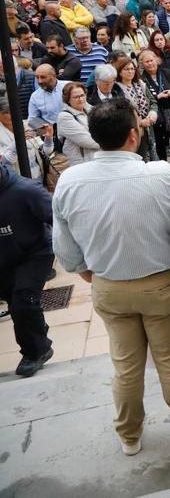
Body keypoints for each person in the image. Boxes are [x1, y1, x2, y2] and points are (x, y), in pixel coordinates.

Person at [52, 99, 170, 456]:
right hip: (160, 285)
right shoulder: (160, 174)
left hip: (108, 286)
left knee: (125, 366)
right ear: (132, 135)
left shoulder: (70, 181)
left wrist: (87, 271)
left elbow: (64, 247)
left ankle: (129, 435)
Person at [0, 157, 54, 376]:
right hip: (4, 256)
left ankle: (36, 351)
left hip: (35, 252)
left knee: (23, 300)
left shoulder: (26, 190)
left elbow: (57, 218)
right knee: (15, 303)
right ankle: (37, 333)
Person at [56, 81, 99, 165]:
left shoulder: (93, 110)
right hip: (80, 163)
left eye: (82, 95)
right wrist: (111, 143)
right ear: (67, 99)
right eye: (76, 97)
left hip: (97, 159)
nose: (81, 99)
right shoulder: (64, 117)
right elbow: (87, 141)